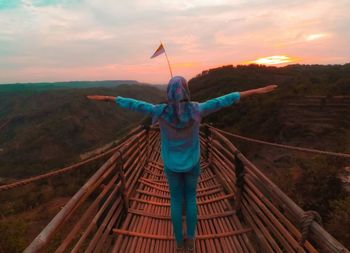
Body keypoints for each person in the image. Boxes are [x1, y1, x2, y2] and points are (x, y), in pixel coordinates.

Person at [87, 76, 277, 252]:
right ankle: (191, 239)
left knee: (176, 201)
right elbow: (225, 99)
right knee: (191, 198)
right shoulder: (198, 109)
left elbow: (132, 104)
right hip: (193, 162)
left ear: (169, 92)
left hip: (171, 164)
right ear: (186, 91)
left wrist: (107, 98)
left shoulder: (159, 112)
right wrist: (257, 90)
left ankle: (179, 242)